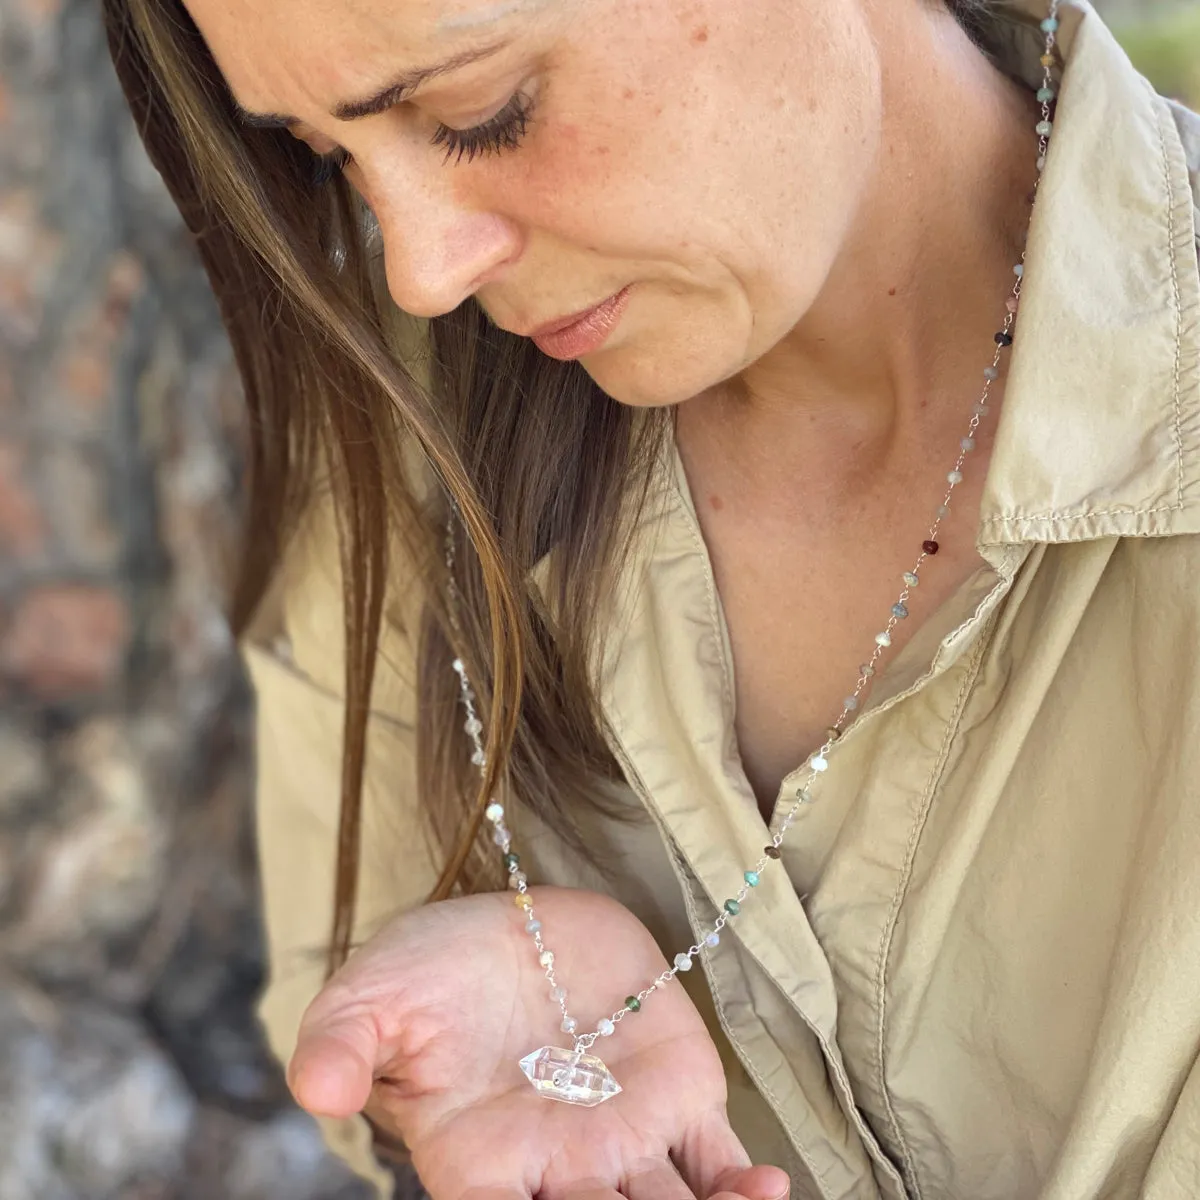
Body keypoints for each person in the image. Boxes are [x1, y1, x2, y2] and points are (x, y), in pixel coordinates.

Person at [101, 0, 1200, 1193]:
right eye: (331, 159)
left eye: (480, 114)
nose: (422, 272)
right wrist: (425, 1092)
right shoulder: (399, 441)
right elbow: (343, 1030)